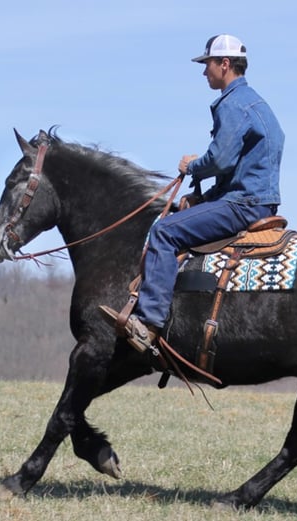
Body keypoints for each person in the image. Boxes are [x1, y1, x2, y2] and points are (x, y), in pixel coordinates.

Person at [100, 34, 285, 352]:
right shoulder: (256, 103)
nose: (204, 72)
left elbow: (221, 159)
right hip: (255, 199)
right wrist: (207, 196)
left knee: (163, 232)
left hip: (243, 205)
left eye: (207, 64)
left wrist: (193, 166)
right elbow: (240, 167)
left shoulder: (234, 104)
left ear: (224, 65)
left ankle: (148, 324)